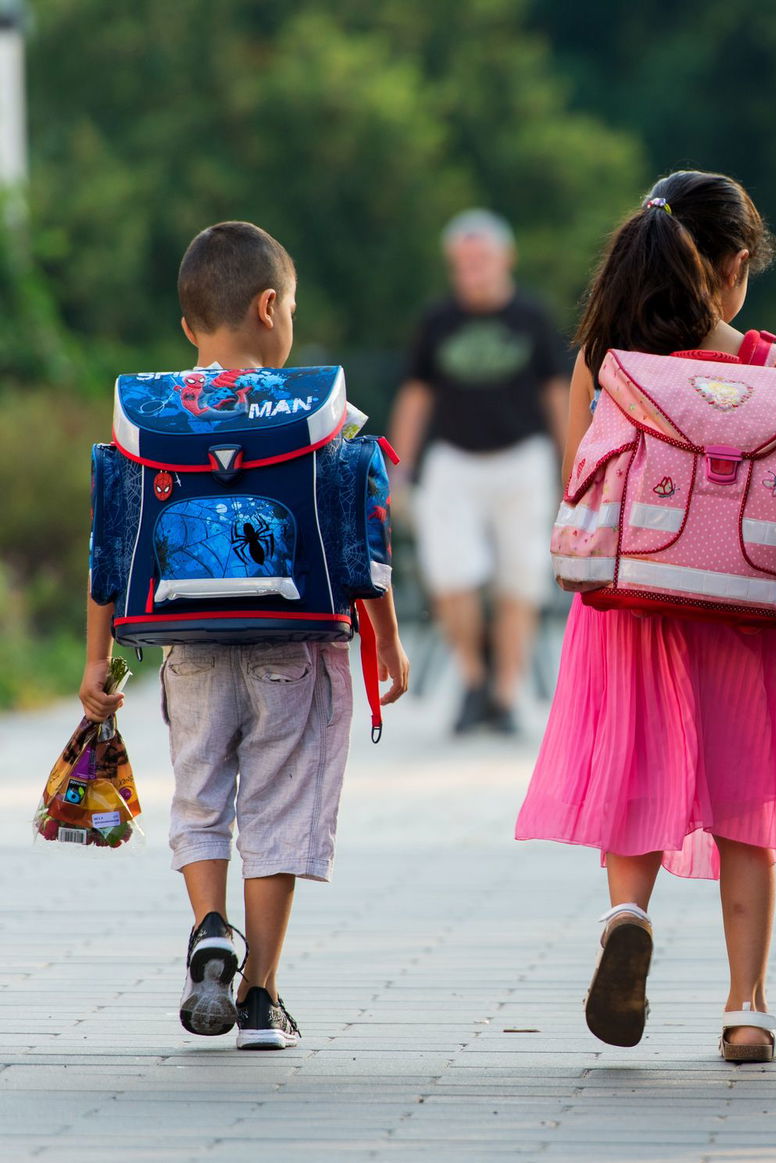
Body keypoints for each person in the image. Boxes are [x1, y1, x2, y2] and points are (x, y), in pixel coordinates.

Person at [515, 172, 776, 1063]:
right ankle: (747, 1008)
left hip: (628, 606)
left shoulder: (603, 361)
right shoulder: (764, 365)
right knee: (747, 807)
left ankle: (627, 914)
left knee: (635, 777)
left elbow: (583, 476)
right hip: (742, 613)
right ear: (731, 265)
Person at [79, 221, 411, 1050]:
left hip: (187, 641)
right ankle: (261, 996)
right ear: (271, 307)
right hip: (293, 643)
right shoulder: (316, 410)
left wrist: (95, 658)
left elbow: (111, 539)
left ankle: (210, 928)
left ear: (189, 326)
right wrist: (388, 644)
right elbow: (360, 538)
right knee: (278, 807)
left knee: (201, 796)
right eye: (289, 304)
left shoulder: (149, 414)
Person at [389, 209, 568, 735]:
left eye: (480, 260)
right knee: (451, 575)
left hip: (523, 459)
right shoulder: (438, 321)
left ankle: (507, 691)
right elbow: (416, 395)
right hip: (454, 461)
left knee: (521, 577)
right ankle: (472, 677)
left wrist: (571, 466)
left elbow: (557, 395)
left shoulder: (532, 318)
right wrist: (400, 470)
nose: (471, 271)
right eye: (462, 263)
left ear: (504, 259)